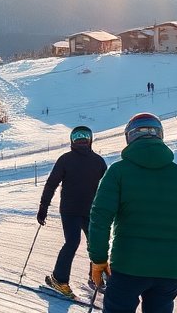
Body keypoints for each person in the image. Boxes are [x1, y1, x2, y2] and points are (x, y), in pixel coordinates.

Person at [88, 112, 177, 313]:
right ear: (160, 135)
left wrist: (98, 259)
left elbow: (100, 217)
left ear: (129, 137)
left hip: (127, 267)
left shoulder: (118, 172)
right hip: (169, 271)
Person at [39, 125, 108, 299]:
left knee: (89, 243)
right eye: (79, 136)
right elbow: (52, 184)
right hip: (72, 210)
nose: (82, 139)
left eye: (84, 136)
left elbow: (108, 189)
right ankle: (60, 279)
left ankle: (94, 277)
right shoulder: (73, 160)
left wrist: (43, 208)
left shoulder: (95, 161)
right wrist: (43, 207)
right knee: (81, 243)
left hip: (86, 210)